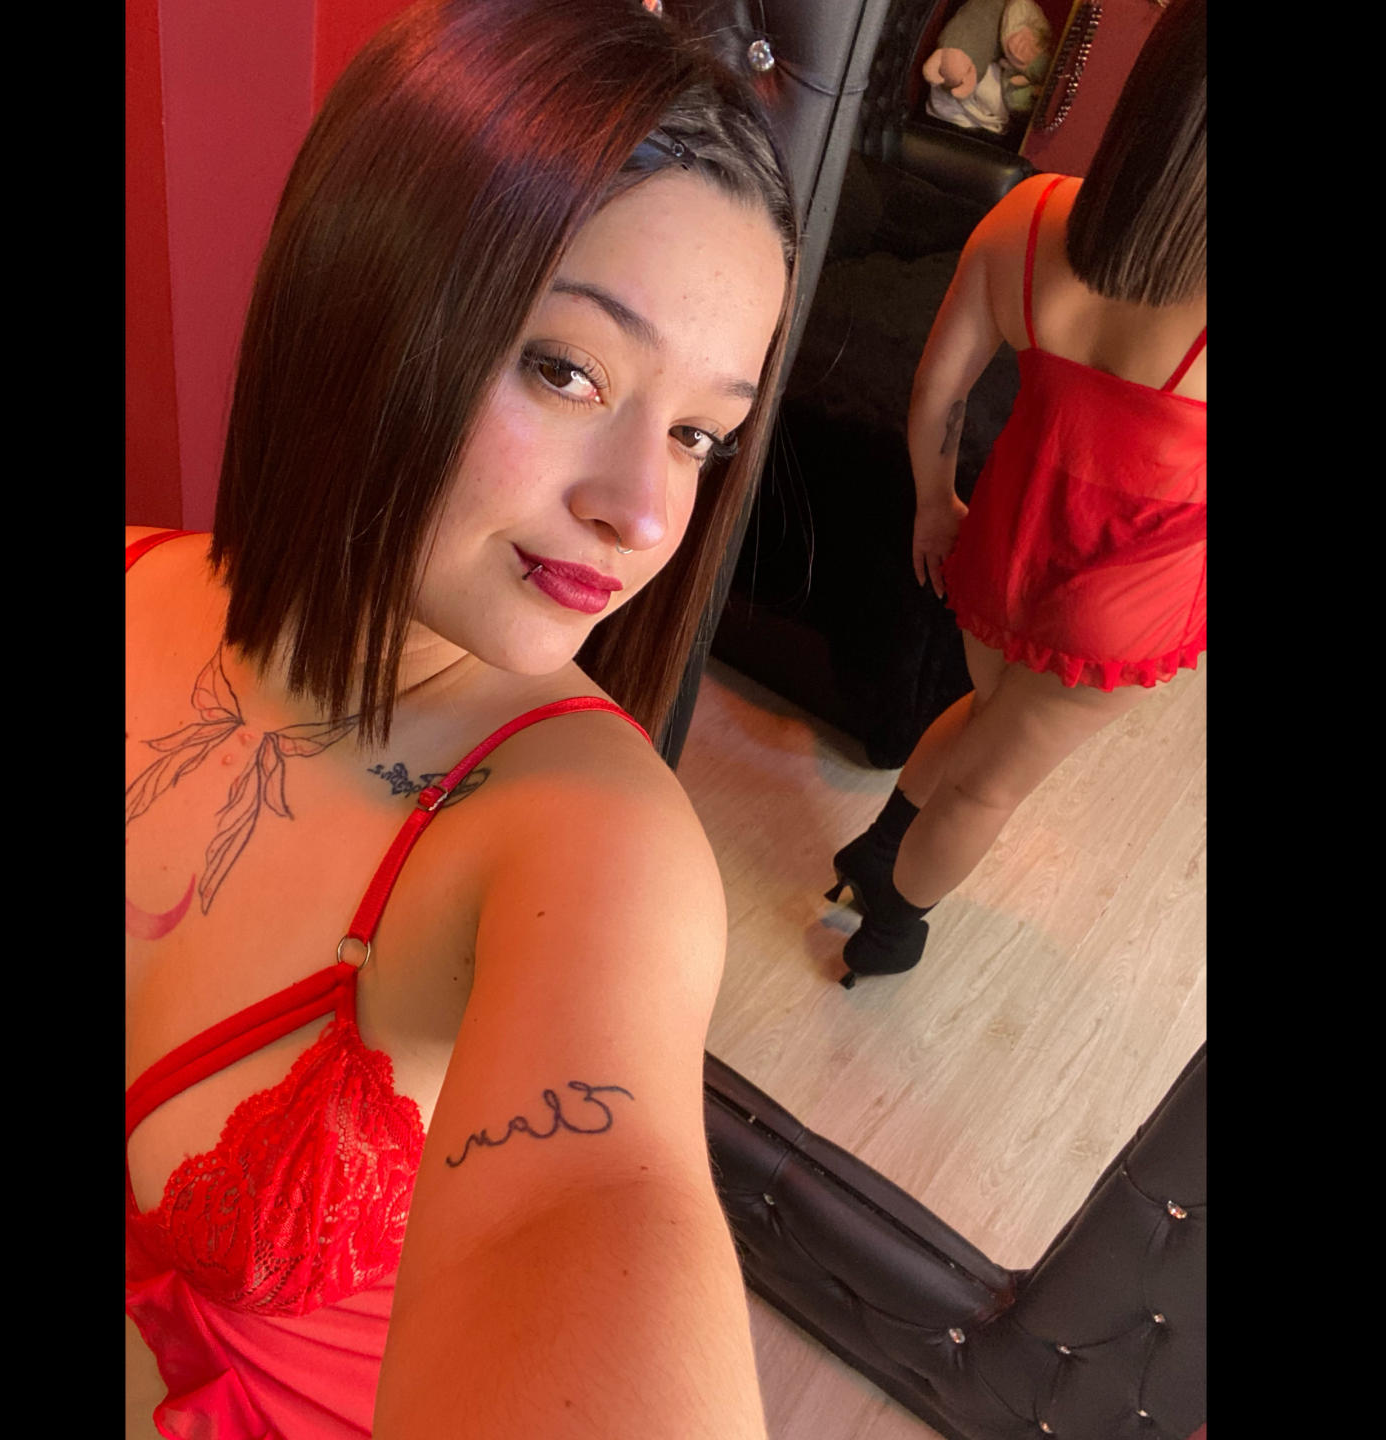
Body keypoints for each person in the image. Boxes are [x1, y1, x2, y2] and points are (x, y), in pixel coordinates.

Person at [125, 2, 797, 1435]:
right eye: (568, 369)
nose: (646, 510)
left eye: (700, 434)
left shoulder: (589, 850)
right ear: (363, 294)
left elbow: (589, 1202)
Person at [825, 0, 1205, 987]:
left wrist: (932, 503)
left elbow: (937, 391)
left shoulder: (1026, 217)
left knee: (990, 715)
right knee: (990, 788)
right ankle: (890, 931)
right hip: (1122, 599)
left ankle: (878, 848)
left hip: (1003, 540)